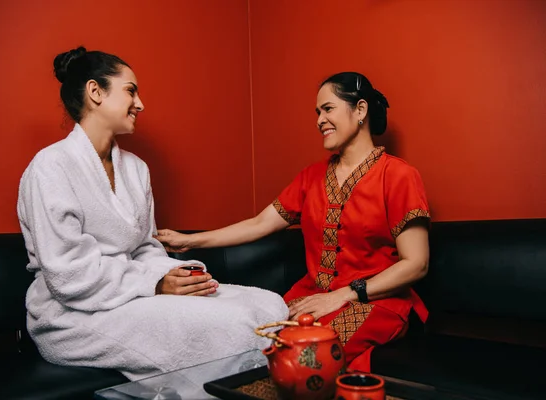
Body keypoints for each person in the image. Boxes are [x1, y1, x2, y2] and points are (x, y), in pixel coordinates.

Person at [16, 46, 288, 380]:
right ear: (95, 92)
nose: (140, 103)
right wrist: (154, 283)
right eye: (130, 90)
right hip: (72, 314)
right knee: (233, 326)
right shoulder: (50, 167)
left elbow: (145, 247)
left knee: (269, 307)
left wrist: (177, 275)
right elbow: (69, 275)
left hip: (132, 293)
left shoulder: (135, 169)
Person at [156, 72, 431, 372]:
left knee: (308, 356)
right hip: (311, 298)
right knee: (251, 345)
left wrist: (344, 295)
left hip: (375, 302)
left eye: (328, 109)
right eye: (317, 112)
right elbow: (259, 224)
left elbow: (416, 263)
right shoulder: (311, 177)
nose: (319, 120)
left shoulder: (398, 175)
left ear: (360, 110)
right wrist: (190, 240)